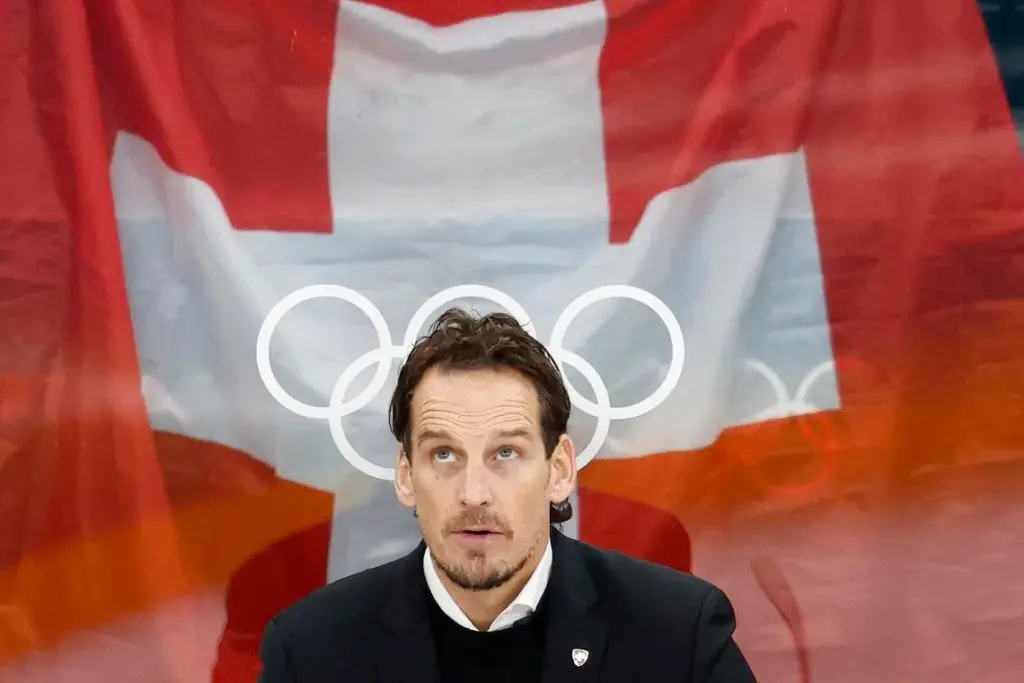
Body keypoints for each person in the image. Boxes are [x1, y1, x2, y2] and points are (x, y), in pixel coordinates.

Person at [258, 308, 758, 682]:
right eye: (445, 456)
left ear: (559, 470)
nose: (474, 494)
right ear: (406, 476)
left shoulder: (677, 635)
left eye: (506, 454)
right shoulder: (309, 653)